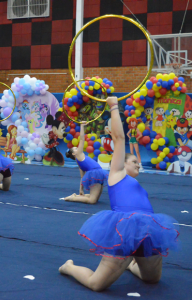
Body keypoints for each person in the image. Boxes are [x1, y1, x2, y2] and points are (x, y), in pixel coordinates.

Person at [59, 96, 179, 292]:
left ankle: (132, 264)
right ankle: (69, 267)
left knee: (152, 279)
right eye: (134, 162)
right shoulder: (117, 173)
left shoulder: (135, 182)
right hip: (124, 230)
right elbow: (119, 138)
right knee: (96, 284)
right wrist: (114, 107)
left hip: (147, 229)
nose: (138, 164)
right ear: (122, 163)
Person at [64, 121, 108, 204]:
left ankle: (77, 196)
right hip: (96, 174)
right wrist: (82, 126)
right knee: (92, 201)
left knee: (95, 199)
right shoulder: (79, 155)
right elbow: (81, 139)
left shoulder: (79, 161)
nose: (78, 148)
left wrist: (81, 190)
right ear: (74, 153)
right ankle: (73, 198)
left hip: (99, 173)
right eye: (76, 149)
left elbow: (82, 177)